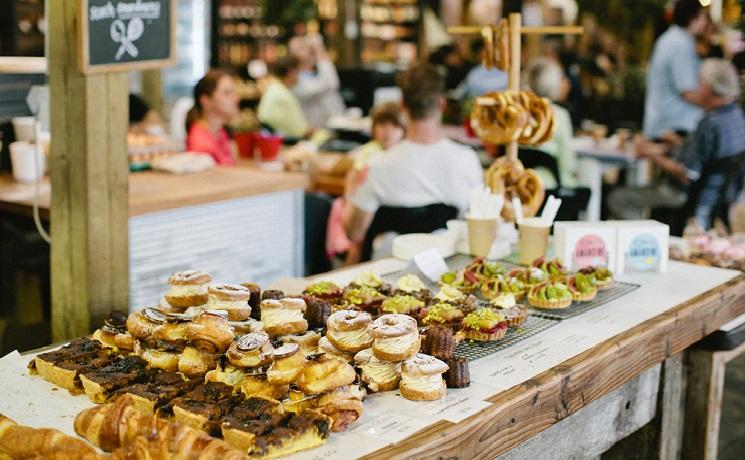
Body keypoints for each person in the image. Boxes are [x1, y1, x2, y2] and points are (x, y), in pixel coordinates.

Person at [345, 64, 484, 247]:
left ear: (402, 105)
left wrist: (350, 191)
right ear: (442, 104)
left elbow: (353, 232)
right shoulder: (466, 160)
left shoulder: (377, 165)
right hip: (445, 265)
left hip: (387, 268)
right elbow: (478, 223)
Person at [608, 59, 745, 229]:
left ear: (709, 89)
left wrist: (650, 153)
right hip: (720, 196)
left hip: (687, 195)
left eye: (700, 83)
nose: (696, 88)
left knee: (618, 198)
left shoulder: (710, 123)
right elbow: (706, 153)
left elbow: (686, 174)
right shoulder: (736, 116)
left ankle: (647, 239)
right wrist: (676, 143)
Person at [326, 102, 406, 265]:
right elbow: (355, 182)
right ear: (373, 128)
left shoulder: (404, 153)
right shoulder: (368, 152)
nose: (388, 132)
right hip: (364, 210)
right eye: (382, 125)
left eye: (394, 126)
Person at [643, 0, 709, 139]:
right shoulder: (680, 45)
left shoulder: (672, 40)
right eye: (703, 17)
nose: (705, 23)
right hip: (674, 127)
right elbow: (687, 91)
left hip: (664, 124)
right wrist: (716, 105)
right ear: (692, 17)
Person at [526, 57, 577, 188]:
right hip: (549, 185)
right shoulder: (560, 115)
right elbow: (567, 163)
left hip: (519, 181)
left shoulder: (519, 113)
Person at [288, 34, 345, 130]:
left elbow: (333, 83)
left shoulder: (316, 71)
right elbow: (331, 83)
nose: (309, 49)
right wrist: (319, 50)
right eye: (301, 47)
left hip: (336, 123)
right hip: (314, 129)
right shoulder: (293, 78)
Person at [185, 70, 239, 165]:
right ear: (205, 101)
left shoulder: (220, 132)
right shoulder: (201, 147)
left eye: (234, 92)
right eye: (227, 93)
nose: (235, 98)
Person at [257, 55, 311, 139]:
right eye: (299, 71)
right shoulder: (282, 94)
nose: (300, 76)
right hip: (286, 144)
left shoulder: (275, 89)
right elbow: (300, 131)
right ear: (291, 72)